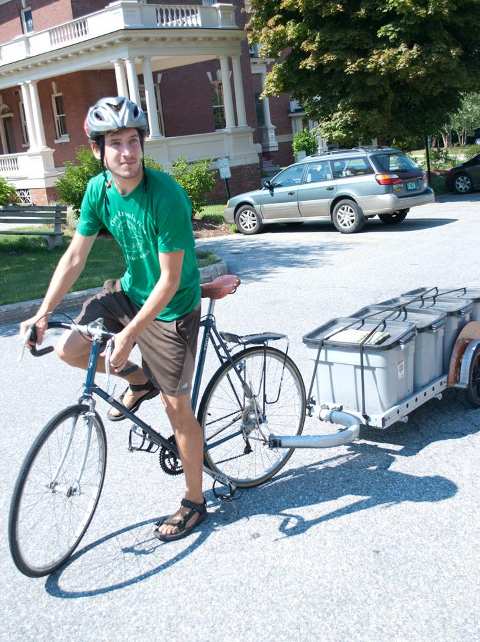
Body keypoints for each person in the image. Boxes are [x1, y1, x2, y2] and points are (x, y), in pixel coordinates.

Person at [20, 96, 207, 542]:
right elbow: (74, 258)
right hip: (130, 291)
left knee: (176, 408)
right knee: (70, 349)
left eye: (132, 141)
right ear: (97, 151)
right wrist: (42, 313)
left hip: (172, 307)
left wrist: (128, 336)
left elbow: (169, 281)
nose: (126, 152)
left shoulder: (166, 196)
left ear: (142, 144)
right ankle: (140, 380)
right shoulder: (97, 190)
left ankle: (195, 501)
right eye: (115, 143)